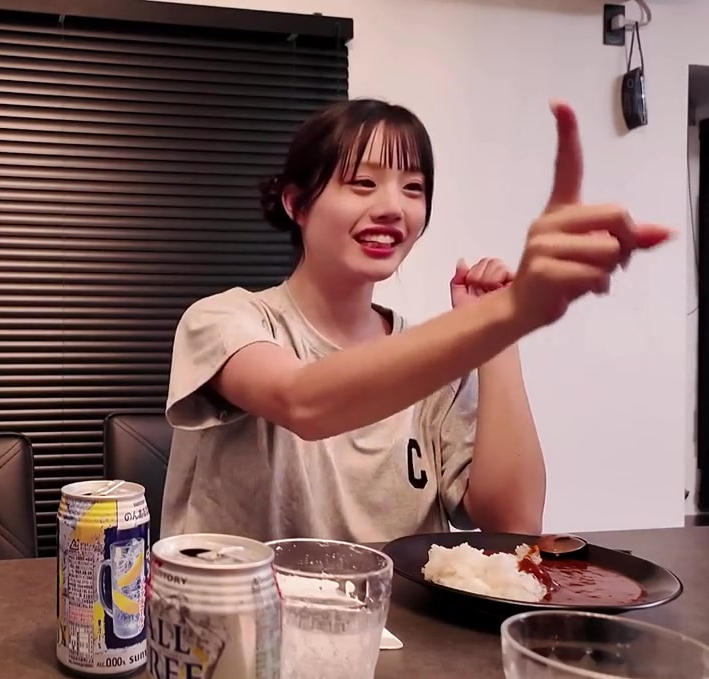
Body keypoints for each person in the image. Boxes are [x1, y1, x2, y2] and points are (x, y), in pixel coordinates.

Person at [161, 98, 671, 544]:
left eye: (413, 187)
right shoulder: (225, 320)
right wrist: (507, 315)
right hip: (250, 621)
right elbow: (303, 402)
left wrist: (499, 336)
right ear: (297, 204)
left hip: (405, 623)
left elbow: (514, 524)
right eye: (363, 183)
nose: (392, 207)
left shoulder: (437, 364)